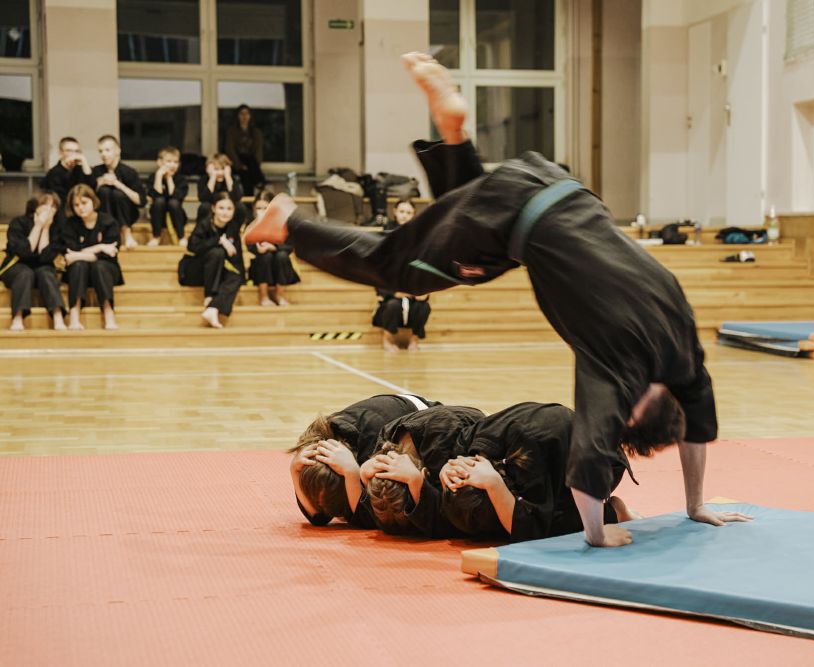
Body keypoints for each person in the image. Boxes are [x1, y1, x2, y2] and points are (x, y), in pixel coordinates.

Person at [247, 52, 752, 547]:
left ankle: (454, 136)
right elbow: (587, 471)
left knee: (465, 234)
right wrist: (598, 536)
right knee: (401, 269)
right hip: (513, 218)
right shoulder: (617, 369)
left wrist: (695, 505)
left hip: (557, 186)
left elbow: (698, 429)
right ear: (634, 414)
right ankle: (289, 224)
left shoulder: (684, 351)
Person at [439, 402, 642, 542]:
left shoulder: (529, 459)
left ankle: (615, 511)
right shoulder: (473, 444)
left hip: (600, 469)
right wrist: (447, 468)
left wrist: (494, 484)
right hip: (553, 453)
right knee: (479, 516)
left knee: (551, 530)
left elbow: (530, 531)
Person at [289, 393, 439, 528]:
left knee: (393, 505)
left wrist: (351, 472)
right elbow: (318, 518)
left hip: (427, 419)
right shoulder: (312, 454)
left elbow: (368, 518)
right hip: (388, 411)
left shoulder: (375, 443)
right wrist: (294, 470)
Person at [361, 404, 484, 537]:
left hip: (471, 424)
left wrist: (415, 481)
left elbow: (447, 525)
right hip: (435, 420)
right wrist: (363, 476)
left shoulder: (441, 452)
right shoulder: (384, 442)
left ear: (425, 474)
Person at [1, 193, 68, 331]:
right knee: (25, 273)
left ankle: (58, 317)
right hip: (16, 266)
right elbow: (24, 252)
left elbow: (45, 256)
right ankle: (17, 318)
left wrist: (46, 228)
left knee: (46, 273)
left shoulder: (57, 228)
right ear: (36, 207)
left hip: (42, 268)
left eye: (53, 206)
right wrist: (38, 226)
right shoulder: (18, 222)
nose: (49, 209)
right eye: (45, 205)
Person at [178, 191, 244, 329]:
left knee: (236, 276)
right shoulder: (204, 224)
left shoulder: (233, 228)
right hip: (196, 271)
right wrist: (218, 241)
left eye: (229, 209)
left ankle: (213, 308)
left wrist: (241, 275)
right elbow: (192, 247)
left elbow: (236, 258)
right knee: (217, 252)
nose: (225, 212)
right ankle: (209, 295)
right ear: (213, 208)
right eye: (221, 208)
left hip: (217, 272)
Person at [61, 184, 122, 331]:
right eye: (76, 205)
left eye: (84, 203)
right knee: (79, 265)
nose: (80, 208)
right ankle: (74, 316)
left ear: (93, 201)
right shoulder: (70, 224)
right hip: (78, 272)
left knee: (99, 266)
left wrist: (78, 255)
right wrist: (100, 247)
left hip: (106, 270)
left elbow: (110, 254)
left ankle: (109, 314)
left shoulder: (109, 222)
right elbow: (70, 253)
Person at [372, 200, 430, 352]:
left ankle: (414, 340)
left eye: (409, 213)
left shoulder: (420, 237)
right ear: (395, 212)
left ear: (414, 215)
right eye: (402, 212)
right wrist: (393, 293)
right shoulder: (386, 236)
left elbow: (424, 267)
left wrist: (424, 291)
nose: (405, 216)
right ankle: (387, 339)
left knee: (423, 307)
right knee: (392, 305)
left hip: (413, 290)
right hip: (392, 291)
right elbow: (380, 269)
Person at [93, 135, 147, 250]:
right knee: (104, 191)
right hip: (103, 213)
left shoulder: (129, 172)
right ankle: (107, 234)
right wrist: (99, 183)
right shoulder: (96, 171)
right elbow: (89, 198)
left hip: (127, 212)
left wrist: (117, 184)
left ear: (117, 151)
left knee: (118, 194)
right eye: (101, 151)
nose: (104, 154)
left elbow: (141, 201)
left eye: (107, 150)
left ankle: (127, 234)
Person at [247, 191, 299, 306]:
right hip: (262, 265)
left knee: (281, 256)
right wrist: (258, 224)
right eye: (258, 208)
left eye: (265, 208)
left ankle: (279, 296)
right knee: (265, 256)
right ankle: (264, 296)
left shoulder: (283, 222)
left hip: (281, 264)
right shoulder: (251, 223)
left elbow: (289, 246)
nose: (262, 211)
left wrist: (274, 247)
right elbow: (250, 246)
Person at [40, 137, 95, 220]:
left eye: (77, 151)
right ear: (61, 153)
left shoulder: (80, 169)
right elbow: (60, 198)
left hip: (82, 208)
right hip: (63, 211)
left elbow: (92, 189)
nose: (74, 154)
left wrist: (84, 161)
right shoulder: (54, 173)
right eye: (69, 151)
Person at [146, 146, 189, 247]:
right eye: (169, 161)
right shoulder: (152, 177)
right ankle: (156, 236)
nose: (172, 165)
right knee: (159, 201)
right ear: (159, 162)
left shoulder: (181, 179)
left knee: (173, 202)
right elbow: (156, 195)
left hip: (177, 217)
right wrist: (159, 176)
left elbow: (175, 196)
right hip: (158, 217)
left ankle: (181, 237)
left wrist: (169, 178)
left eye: (175, 162)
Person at [224, 104, 266, 195]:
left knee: (248, 172)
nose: (244, 116)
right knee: (245, 172)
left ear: (250, 116)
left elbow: (259, 150)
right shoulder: (231, 131)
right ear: (237, 116)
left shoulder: (256, 132)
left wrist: (256, 164)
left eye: (247, 114)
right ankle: (259, 181)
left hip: (252, 163)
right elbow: (230, 150)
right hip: (237, 163)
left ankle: (249, 201)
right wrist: (239, 165)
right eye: (242, 114)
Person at [196, 154, 244, 225]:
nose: (220, 173)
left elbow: (237, 198)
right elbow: (203, 198)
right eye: (216, 169)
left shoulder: (232, 179)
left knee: (240, 207)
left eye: (223, 169)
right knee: (205, 207)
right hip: (212, 210)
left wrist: (228, 177)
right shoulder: (203, 180)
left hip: (228, 209)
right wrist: (212, 178)